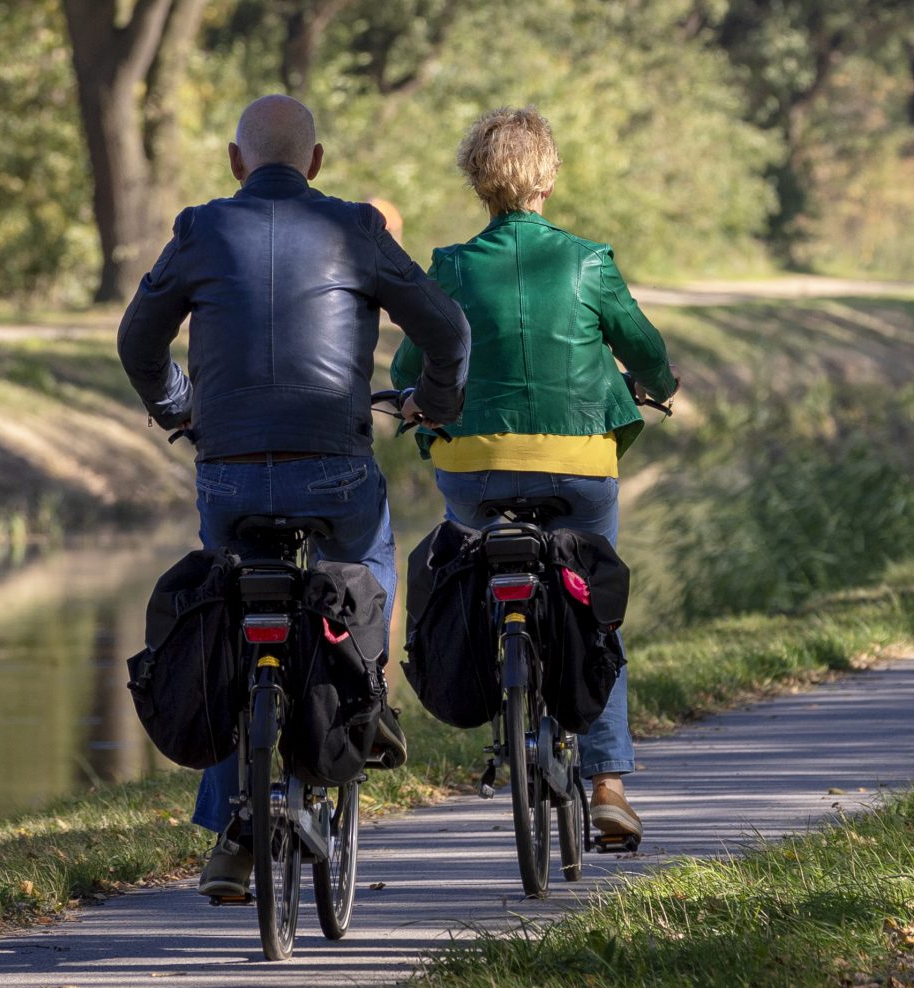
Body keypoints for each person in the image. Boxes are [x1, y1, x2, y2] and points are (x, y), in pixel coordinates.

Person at [120, 93, 470, 904]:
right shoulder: (357, 228)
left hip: (230, 472)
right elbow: (449, 331)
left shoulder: (200, 229)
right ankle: (371, 697)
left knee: (226, 621)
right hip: (332, 466)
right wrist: (434, 403)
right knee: (366, 564)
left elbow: (137, 340)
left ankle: (232, 834)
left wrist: (180, 407)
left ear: (236, 161)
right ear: (314, 163)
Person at [390, 105, 675, 854]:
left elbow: (405, 371)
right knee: (593, 612)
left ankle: (501, 673)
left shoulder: (448, 266)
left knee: (482, 567)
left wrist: (418, 402)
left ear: (477, 180)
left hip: (474, 467)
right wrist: (659, 383)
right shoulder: (587, 261)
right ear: (548, 176)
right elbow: (642, 348)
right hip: (579, 466)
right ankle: (609, 785)